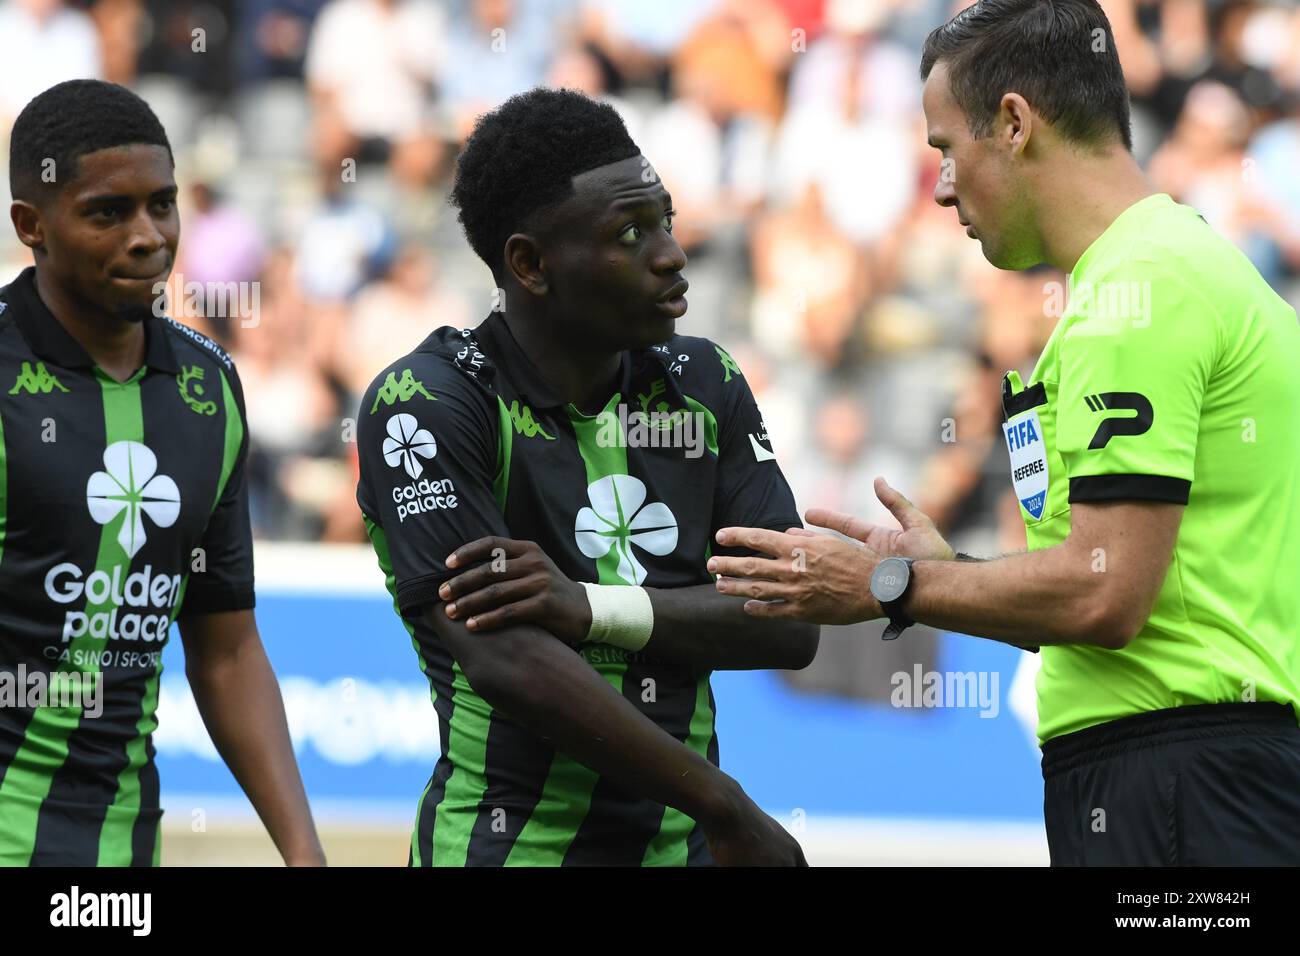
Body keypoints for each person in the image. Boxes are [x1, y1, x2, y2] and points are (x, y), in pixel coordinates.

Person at [709, 0, 1300, 866]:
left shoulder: (1137, 298)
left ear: (1016, 123)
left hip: (1181, 783)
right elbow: (1134, 598)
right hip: (1200, 772)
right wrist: (946, 578)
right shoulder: (1173, 269)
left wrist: (888, 583)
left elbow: (1106, 596)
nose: (943, 186)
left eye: (947, 149)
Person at [355, 88, 816, 866]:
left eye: (665, 220)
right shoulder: (430, 402)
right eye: (630, 233)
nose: (670, 253)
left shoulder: (703, 382)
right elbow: (507, 658)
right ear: (530, 265)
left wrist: (587, 607)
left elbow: (790, 619)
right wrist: (723, 802)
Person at [0, 80, 323, 866]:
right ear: (31, 226)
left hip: (118, 847)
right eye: (107, 212)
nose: (148, 237)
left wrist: (305, 855)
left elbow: (227, 650)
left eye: (163, 204)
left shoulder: (208, 389)